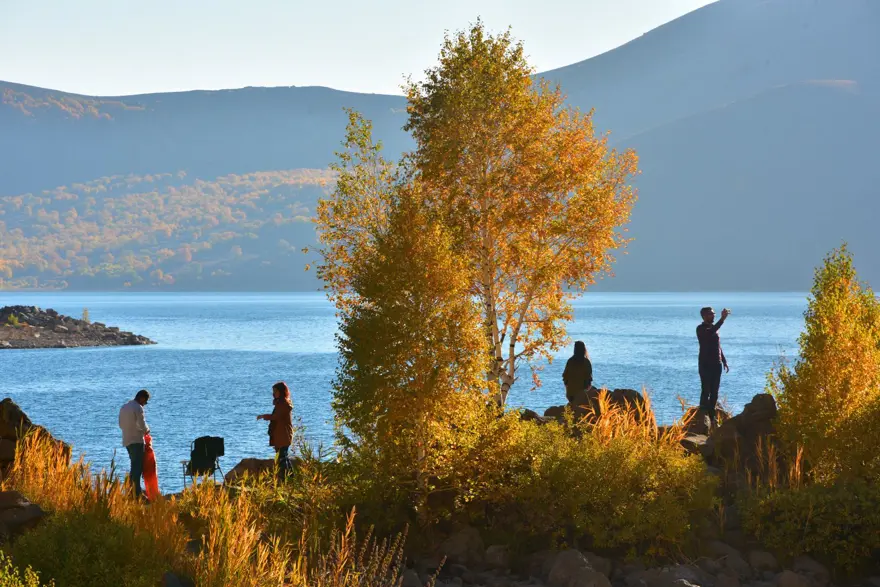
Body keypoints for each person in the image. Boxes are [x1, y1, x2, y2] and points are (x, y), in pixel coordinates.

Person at [697, 307, 731, 425]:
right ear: (704, 316)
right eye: (711, 314)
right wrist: (722, 319)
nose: (713, 316)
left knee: (715, 391)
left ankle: (712, 416)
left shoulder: (714, 329)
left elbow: (718, 346)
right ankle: (702, 416)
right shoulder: (701, 329)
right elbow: (710, 333)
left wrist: (724, 360)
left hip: (717, 364)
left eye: (714, 314)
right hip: (705, 365)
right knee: (706, 390)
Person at [257, 381, 293, 479]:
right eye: (273, 391)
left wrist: (263, 416)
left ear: (281, 392)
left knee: (282, 458)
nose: (273, 393)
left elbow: (276, 417)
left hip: (283, 435)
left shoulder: (284, 404)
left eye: (275, 391)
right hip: (280, 435)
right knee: (283, 457)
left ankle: (287, 478)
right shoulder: (280, 403)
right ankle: (289, 478)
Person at [118, 389, 151, 498]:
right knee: (137, 467)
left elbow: (120, 424)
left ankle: (130, 490)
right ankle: (136, 493)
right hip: (136, 440)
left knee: (134, 465)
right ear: (141, 398)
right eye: (145, 401)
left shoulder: (124, 407)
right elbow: (142, 424)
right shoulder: (138, 407)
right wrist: (147, 430)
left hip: (127, 440)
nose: (144, 404)